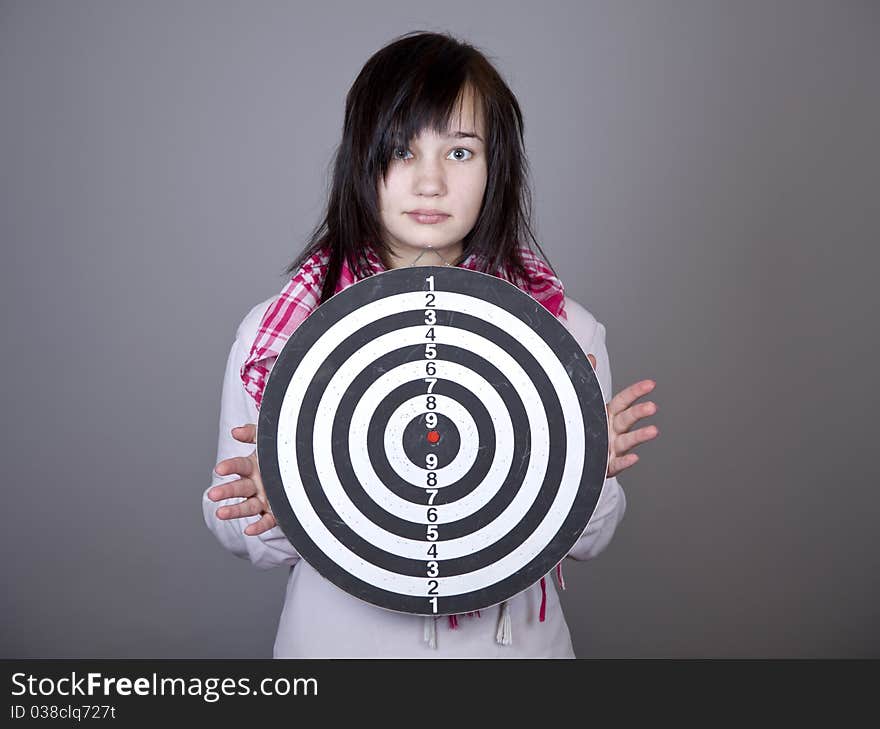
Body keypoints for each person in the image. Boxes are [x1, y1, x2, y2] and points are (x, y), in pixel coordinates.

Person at [203, 30, 659, 658]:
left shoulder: (565, 332)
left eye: (461, 153)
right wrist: (280, 502)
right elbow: (239, 535)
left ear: (497, 167)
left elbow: (592, 538)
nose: (429, 182)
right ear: (361, 161)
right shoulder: (280, 334)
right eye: (399, 150)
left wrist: (582, 472)